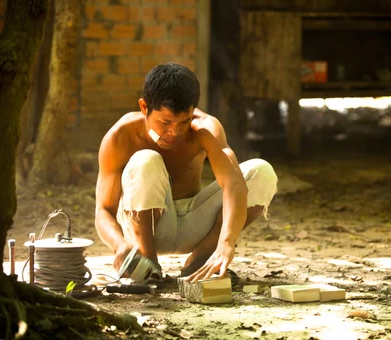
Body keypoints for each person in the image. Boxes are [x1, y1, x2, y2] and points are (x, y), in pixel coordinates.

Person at [95, 62, 278, 283]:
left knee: (262, 172)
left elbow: (234, 184)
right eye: (165, 122)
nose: (175, 132)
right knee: (146, 160)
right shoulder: (121, 135)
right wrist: (120, 246)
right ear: (144, 107)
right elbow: (103, 210)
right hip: (148, 229)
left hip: (196, 224)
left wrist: (226, 244)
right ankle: (149, 264)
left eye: (184, 121)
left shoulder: (205, 128)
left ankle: (201, 260)